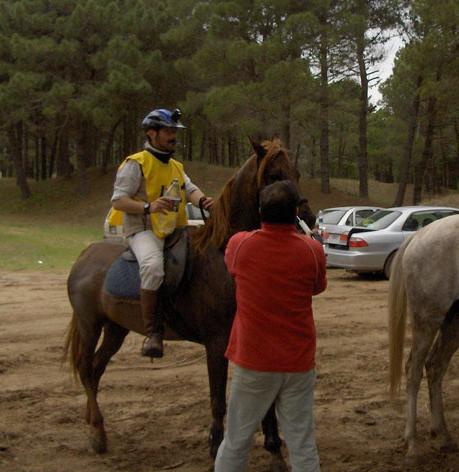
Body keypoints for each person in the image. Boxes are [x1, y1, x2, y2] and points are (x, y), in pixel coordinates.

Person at [214, 180, 327, 472]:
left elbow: (233, 268)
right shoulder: (314, 250)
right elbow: (317, 288)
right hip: (298, 362)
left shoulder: (239, 244)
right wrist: (308, 239)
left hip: (254, 361)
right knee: (303, 444)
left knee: (236, 440)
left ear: (260, 211)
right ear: (296, 214)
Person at [109, 108, 213, 359]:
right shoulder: (136, 163)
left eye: (174, 132)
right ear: (151, 134)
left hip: (176, 230)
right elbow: (118, 201)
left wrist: (206, 202)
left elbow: (191, 190)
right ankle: (153, 332)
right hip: (144, 231)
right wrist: (148, 207)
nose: (173, 136)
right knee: (153, 266)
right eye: (168, 131)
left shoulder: (176, 165)